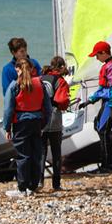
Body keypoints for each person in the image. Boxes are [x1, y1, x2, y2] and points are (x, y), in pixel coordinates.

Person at [3, 59, 52, 197]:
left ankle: (22, 188)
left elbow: (8, 109)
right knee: (35, 153)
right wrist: (44, 123)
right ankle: (32, 186)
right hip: (36, 121)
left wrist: (7, 128)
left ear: (17, 69)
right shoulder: (40, 84)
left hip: (21, 123)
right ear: (31, 69)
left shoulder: (14, 85)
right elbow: (48, 108)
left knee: (23, 155)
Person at [79, 41, 112, 174]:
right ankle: (108, 163)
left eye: (97, 55)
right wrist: (91, 100)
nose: (96, 58)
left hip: (110, 103)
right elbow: (104, 89)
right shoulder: (109, 65)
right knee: (98, 126)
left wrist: (94, 101)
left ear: (104, 53)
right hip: (107, 102)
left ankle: (108, 165)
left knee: (104, 131)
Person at [40, 56, 70, 190]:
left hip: (40, 120)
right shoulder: (61, 81)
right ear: (62, 66)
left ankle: (39, 182)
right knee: (56, 153)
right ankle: (56, 184)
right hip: (54, 120)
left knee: (41, 153)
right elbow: (62, 102)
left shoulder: (40, 79)